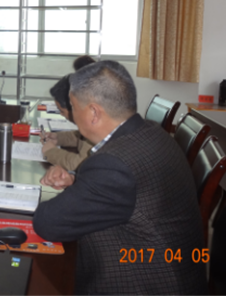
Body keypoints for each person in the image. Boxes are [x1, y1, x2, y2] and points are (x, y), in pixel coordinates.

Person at [33, 61, 207, 294]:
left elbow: (48, 222)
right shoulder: (152, 132)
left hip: (146, 284)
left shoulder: (114, 165)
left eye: (73, 107)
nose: (72, 115)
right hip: (176, 272)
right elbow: (131, 191)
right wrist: (75, 179)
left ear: (94, 112)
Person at [40, 75, 92, 171]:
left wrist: (50, 152)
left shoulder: (94, 127)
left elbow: (80, 164)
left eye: (62, 111)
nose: (61, 114)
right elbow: (80, 137)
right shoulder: (90, 123)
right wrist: (58, 138)